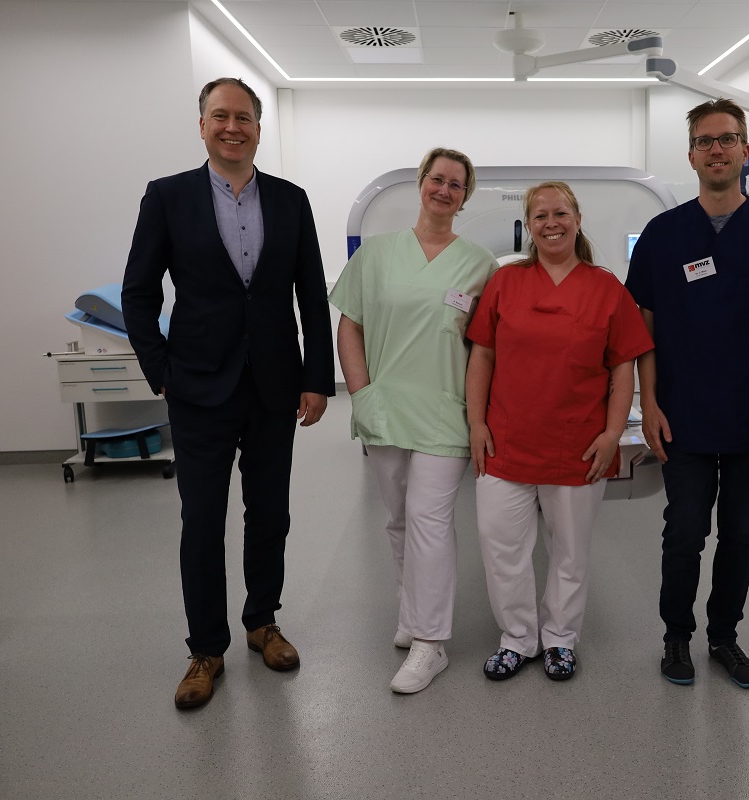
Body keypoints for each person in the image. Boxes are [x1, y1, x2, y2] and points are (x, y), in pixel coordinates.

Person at [121, 78, 335, 710]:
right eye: (221, 116)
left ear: (259, 128)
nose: (232, 126)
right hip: (196, 385)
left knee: (270, 513)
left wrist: (316, 377)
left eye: (244, 117)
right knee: (202, 519)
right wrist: (159, 368)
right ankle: (206, 648)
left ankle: (261, 622)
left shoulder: (291, 201)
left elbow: (310, 296)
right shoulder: (167, 198)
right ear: (203, 124)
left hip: (273, 384)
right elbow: (139, 292)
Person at [625, 98, 749, 689]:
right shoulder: (663, 233)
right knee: (683, 533)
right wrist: (647, 403)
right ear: (691, 155)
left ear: (746, 151)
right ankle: (676, 635)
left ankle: (724, 635)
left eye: (728, 139)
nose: (717, 150)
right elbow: (643, 328)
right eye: (706, 141)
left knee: (742, 534)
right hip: (683, 415)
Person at [465, 181, 652, 682]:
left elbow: (623, 368)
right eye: (541, 215)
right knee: (500, 546)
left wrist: (613, 433)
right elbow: (481, 353)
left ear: (577, 217)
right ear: (530, 225)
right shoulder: (506, 282)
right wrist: (476, 423)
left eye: (560, 213)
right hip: (505, 440)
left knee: (570, 552)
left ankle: (560, 639)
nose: (552, 223)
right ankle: (517, 638)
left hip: (578, 444)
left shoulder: (605, 287)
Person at [331, 148, 496, 694]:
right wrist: (361, 394)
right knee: (399, 519)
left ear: (465, 197)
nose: (444, 190)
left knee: (429, 520)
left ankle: (430, 643)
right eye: (437, 179)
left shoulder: (479, 265)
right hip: (386, 409)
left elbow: (488, 347)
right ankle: (412, 612)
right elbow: (349, 326)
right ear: (420, 184)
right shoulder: (376, 255)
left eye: (456, 184)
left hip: (447, 412)